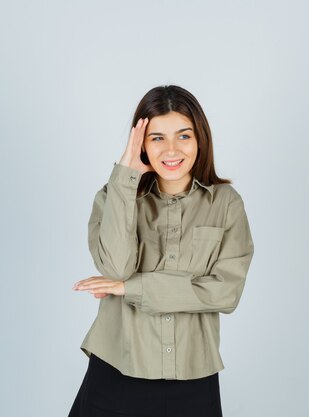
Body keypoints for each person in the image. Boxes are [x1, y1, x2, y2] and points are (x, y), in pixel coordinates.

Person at [69, 85, 254, 417]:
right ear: (140, 144)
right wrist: (125, 176)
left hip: (192, 374)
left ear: (200, 140)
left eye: (183, 136)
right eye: (157, 138)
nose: (171, 149)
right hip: (115, 368)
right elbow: (115, 268)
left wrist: (131, 288)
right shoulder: (114, 197)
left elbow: (224, 293)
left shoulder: (226, 204)